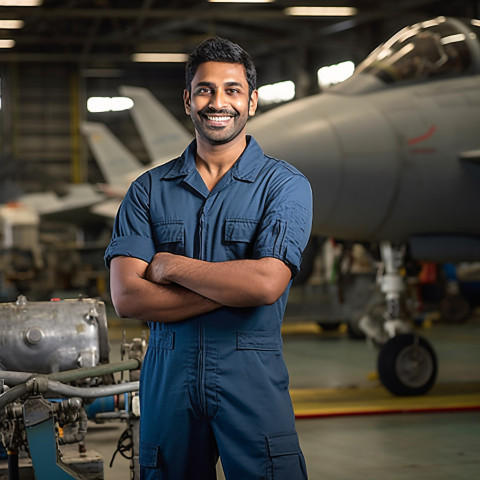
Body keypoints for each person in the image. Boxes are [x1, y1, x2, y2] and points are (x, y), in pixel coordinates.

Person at [105, 37, 312, 480]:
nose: (219, 102)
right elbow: (127, 298)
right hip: (168, 383)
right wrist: (234, 288)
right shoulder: (147, 190)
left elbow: (265, 284)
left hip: (252, 382)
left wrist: (172, 267)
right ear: (187, 100)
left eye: (233, 90)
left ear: (252, 101)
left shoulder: (284, 186)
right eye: (205, 90)